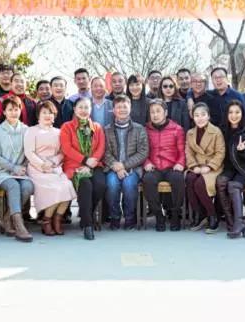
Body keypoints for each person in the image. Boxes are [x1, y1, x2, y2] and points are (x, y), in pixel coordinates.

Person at [24, 101, 77, 236]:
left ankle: (57, 219)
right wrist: (42, 164)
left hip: (55, 167)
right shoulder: (31, 131)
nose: (48, 115)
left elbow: (63, 152)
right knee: (54, 189)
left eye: (51, 113)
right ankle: (46, 220)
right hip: (37, 168)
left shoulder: (59, 132)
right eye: (44, 113)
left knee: (67, 186)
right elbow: (29, 152)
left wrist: (54, 161)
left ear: (54, 116)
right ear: (38, 115)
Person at [60, 97, 106, 240]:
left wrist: (91, 162)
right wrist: (84, 161)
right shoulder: (67, 127)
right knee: (85, 184)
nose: (83, 110)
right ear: (74, 109)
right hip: (75, 165)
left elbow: (101, 147)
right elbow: (66, 148)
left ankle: (86, 213)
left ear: (91, 109)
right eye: (80, 107)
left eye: (86, 107)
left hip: (94, 164)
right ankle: (87, 224)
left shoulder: (97, 127)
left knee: (100, 184)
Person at [0, 96, 34, 242]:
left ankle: (7, 217)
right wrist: (13, 167)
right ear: (4, 112)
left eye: (16, 109)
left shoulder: (27, 130)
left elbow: (30, 152)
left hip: (22, 171)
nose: (14, 113)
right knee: (13, 186)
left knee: (28, 186)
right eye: (10, 110)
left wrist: (23, 167)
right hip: (3, 172)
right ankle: (19, 225)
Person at [216, 100, 245, 239]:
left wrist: (243, 151)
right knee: (221, 181)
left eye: (237, 112)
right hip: (230, 167)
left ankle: (239, 223)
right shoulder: (223, 129)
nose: (234, 115)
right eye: (231, 112)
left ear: (243, 113)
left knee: (233, 185)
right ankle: (230, 221)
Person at [103, 95, 148, 230]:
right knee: (112, 184)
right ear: (113, 110)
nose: (122, 109)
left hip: (133, 168)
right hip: (113, 168)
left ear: (130, 108)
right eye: (119, 107)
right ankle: (115, 216)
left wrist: (124, 165)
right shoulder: (107, 130)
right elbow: (104, 152)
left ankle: (130, 217)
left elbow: (143, 152)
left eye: (125, 106)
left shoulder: (139, 129)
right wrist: (116, 166)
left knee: (129, 184)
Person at [143, 99, 185, 232]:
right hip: (154, 167)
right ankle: (158, 215)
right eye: (152, 112)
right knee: (148, 180)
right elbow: (142, 150)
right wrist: (146, 162)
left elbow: (182, 151)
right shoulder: (145, 129)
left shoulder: (177, 129)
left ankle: (175, 215)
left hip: (172, 166)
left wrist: (180, 163)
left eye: (158, 111)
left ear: (165, 112)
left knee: (178, 179)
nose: (155, 115)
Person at [186, 103, 226, 233]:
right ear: (193, 117)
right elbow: (188, 152)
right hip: (197, 165)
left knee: (199, 183)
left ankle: (212, 215)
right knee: (190, 179)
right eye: (196, 115)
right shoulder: (190, 133)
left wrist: (209, 167)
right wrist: (194, 166)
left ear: (208, 116)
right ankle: (200, 214)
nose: (200, 118)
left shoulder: (216, 131)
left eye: (203, 115)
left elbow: (220, 152)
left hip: (213, 167)